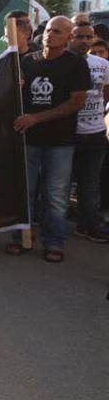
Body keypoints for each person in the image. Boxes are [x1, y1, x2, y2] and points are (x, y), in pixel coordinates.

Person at [8, 17, 89, 262]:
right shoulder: (27, 61)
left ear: (68, 37)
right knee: (26, 191)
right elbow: (16, 94)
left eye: (57, 32)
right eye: (48, 30)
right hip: (28, 139)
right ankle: (22, 237)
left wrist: (36, 118)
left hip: (60, 141)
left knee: (56, 194)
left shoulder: (76, 64)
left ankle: (54, 241)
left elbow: (76, 102)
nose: (49, 35)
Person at [67, 21, 109, 242]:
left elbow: (105, 95)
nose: (84, 41)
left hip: (95, 134)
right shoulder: (62, 63)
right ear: (70, 38)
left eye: (88, 37)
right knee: (61, 184)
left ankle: (87, 225)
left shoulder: (102, 64)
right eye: (79, 36)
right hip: (67, 134)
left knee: (90, 184)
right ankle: (53, 225)